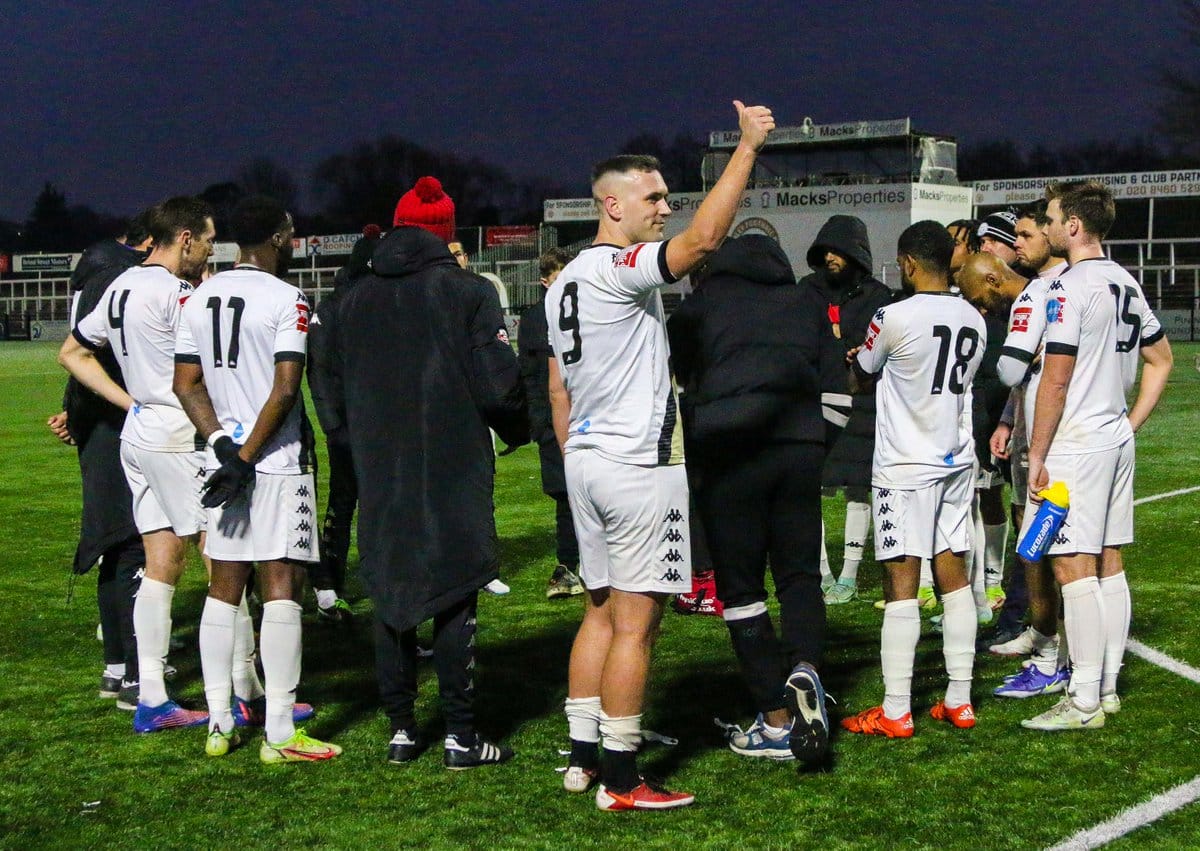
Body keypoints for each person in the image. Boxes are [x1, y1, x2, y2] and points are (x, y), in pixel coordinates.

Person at [548, 99, 774, 811]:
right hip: (634, 467)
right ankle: (621, 776)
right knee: (637, 624)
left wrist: (578, 452)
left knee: (598, 611)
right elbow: (704, 240)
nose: (664, 208)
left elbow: (558, 386)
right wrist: (747, 147)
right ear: (610, 205)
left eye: (666, 196)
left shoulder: (559, 286)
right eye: (652, 197)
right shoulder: (616, 270)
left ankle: (582, 756)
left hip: (585, 456)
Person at [330, 176, 528, 769]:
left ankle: (400, 730)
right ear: (446, 233)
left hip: (379, 465)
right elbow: (497, 384)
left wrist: (351, 444)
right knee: (455, 586)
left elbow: (329, 389)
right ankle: (461, 737)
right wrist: (523, 429)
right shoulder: (466, 291)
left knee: (390, 589)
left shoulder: (349, 299)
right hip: (451, 459)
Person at [174, 195, 337, 762]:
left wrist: (222, 446)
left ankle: (219, 724)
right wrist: (245, 457)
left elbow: (186, 383)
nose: (293, 242)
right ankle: (279, 732)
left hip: (221, 466)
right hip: (274, 464)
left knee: (223, 590)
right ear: (275, 237)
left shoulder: (198, 298)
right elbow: (286, 388)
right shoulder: (289, 297)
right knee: (281, 590)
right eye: (290, 232)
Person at [667, 234, 832, 763]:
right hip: (796, 445)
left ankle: (776, 716)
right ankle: (805, 667)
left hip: (728, 448)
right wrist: (814, 441)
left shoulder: (700, 305)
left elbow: (681, 377)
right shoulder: (806, 300)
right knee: (800, 575)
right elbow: (836, 384)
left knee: (740, 590)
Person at [59, 197, 219, 734]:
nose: (209, 250)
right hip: (178, 434)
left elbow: (74, 353)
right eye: (208, 240)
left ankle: (150, 695)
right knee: (221, 556)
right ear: (186, 238)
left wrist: (131, 403)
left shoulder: (121, 286)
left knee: (160, 560)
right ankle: (239, 691)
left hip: (139, 434)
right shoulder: (181, 295)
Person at [1021, 181, 1172, 731]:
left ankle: (1082, 701)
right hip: (1112, 439)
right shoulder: (1125, 281)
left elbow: (1055, 378)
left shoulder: (1071, 286)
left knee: (1072, 566)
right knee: (1109, 562)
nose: (1050, 226)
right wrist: (1129, 423)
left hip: (1078, 442)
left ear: (1074, 227)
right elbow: (1162, 361)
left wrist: (1036, 455)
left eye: (1054, 218)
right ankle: (1106, 688)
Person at [840, 221, 986, 738]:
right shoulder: (974, 317)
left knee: (901, 587)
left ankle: (896, 710)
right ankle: (960, 699)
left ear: (906, 264)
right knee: (955, 579)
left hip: (904, 467)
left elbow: (863, 376)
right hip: (954, 462)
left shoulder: (892, 315)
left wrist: (855, 359)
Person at [50, 210, 153, 710]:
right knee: (134, 546)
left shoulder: (94, 275)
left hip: (100, 430)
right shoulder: (120, 281)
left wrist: (75, 411)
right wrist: (132, 406)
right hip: (120, 433)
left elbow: (80, 359)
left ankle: (117, 669)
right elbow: (85, 357)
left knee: (118, 548)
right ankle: (137, 678)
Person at [987, 201, 1071, 663]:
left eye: (1025, 234)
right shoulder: (1049, 287)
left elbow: (1010, 367)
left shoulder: (1052, 291)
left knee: (1055, 540)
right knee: (1029, 534)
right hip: (1029, 425)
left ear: (1050, 235)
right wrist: (1006, 419)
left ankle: (1059, 646)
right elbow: (1024, 377)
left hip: (1057, 434)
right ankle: (1041, 632)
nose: (1016, 242)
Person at [801, 215, 894, 605]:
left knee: (860, 488)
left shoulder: (878, 295)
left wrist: (852, 348)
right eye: (826, 249)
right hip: (815, 399)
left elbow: (880, 345)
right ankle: (821, 572)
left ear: (856, 251)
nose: (830, 256)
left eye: (838, 249)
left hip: (864, 404)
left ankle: (850, 574)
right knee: (811, 488)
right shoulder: (807, 290)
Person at [306, 223, 383, 622]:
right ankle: (332, 585)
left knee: (350, 505)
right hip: (357, 429)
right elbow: (318, 372)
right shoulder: (343, 307)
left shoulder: (338, 304)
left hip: (360, 427)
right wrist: (335, 426)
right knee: (354, 504)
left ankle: (336, 585)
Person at [519, 247, 583, 598]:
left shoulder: (581, 308)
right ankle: (569, 566)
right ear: (545, 282)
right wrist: (540, 423)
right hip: (556, 417)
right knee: (566, 497)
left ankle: (578, 565)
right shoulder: (536, 319)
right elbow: (531, 377)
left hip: (582, 414)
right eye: (559, 276)